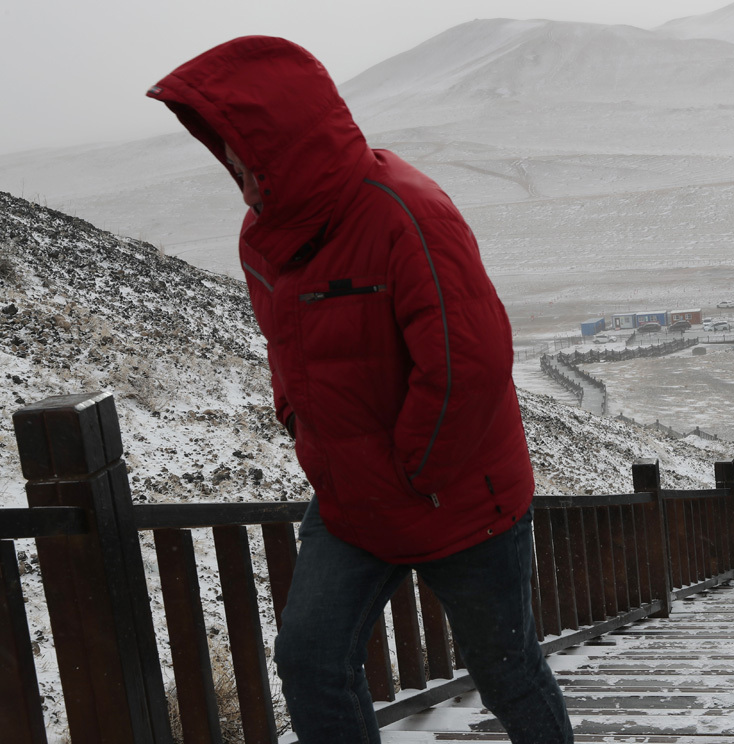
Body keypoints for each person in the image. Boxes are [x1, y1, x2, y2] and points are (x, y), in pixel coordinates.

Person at [148, 37, 572, 744]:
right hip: (351, 498)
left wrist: (415, 470)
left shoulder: (406, 214)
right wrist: (301, 427)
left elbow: (469, 362)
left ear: (287, 143)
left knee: (507, 668)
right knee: (309, 659)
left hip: (460, 498)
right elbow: (290, 357)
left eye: (246, 150)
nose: (237, 170)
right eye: (224, 151)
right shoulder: (262, 238)